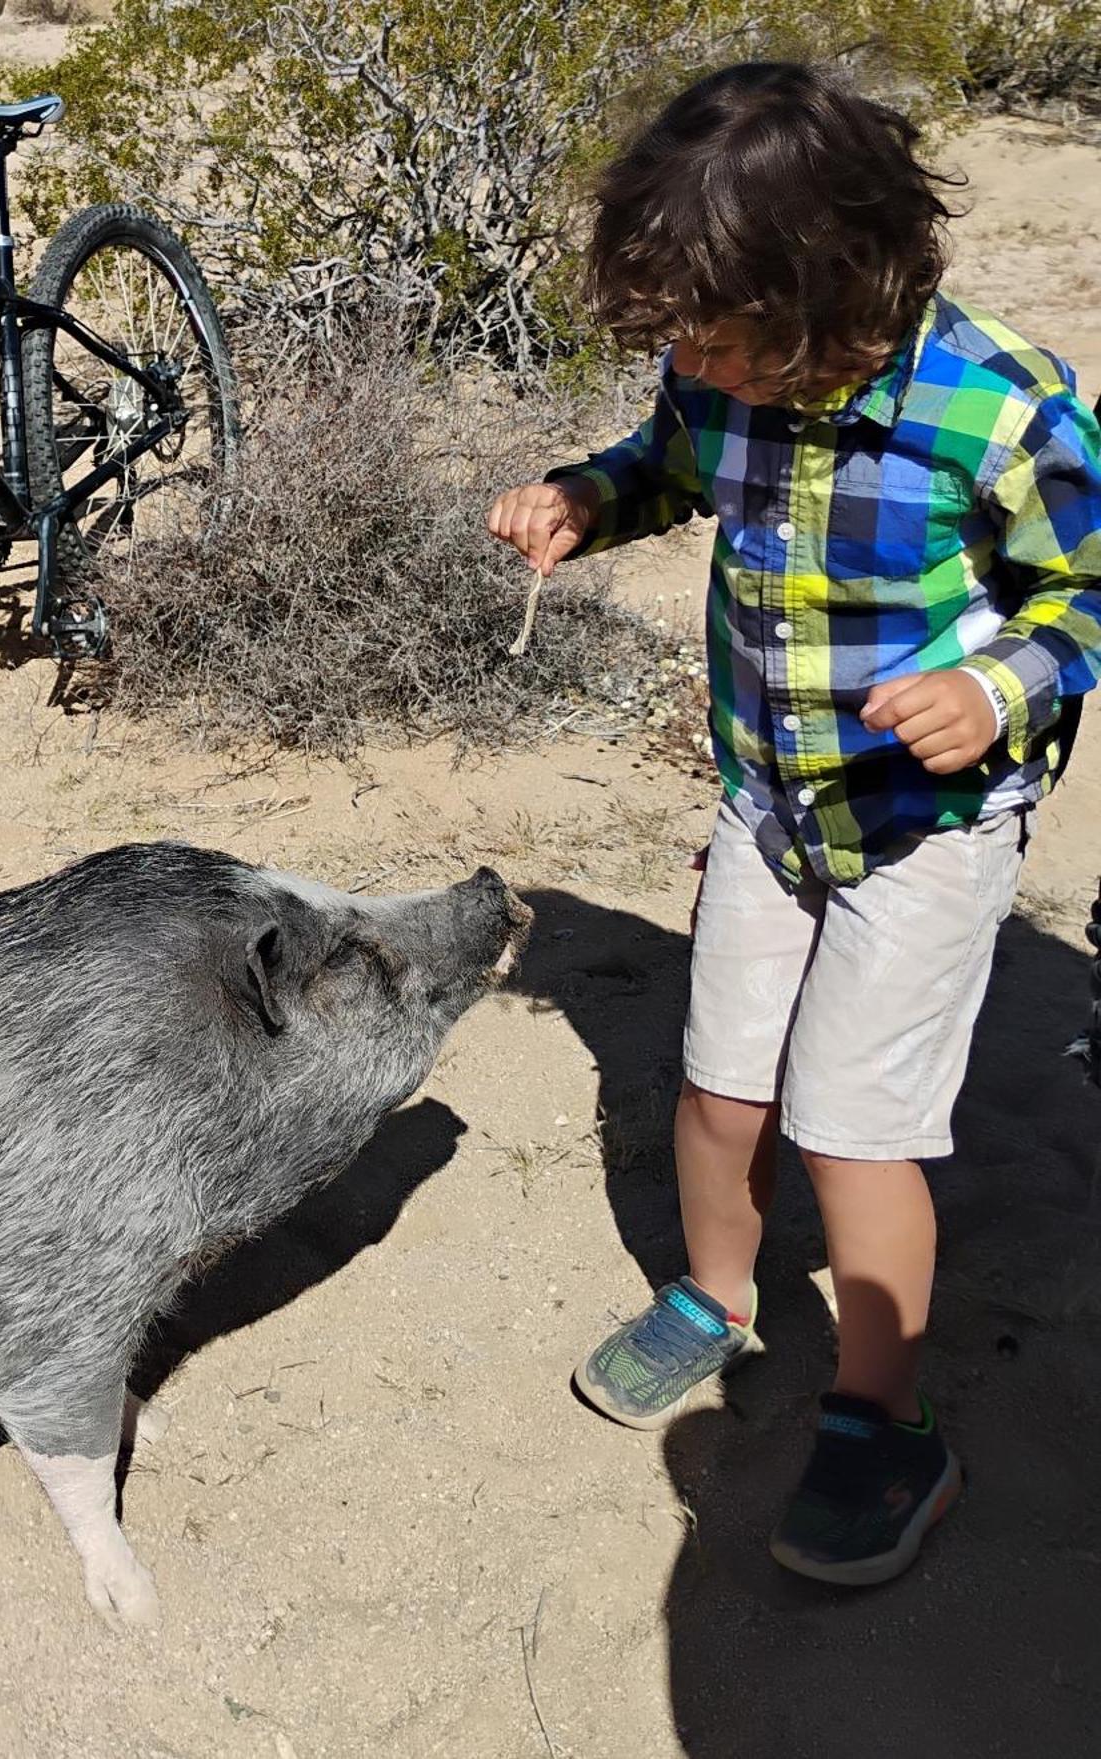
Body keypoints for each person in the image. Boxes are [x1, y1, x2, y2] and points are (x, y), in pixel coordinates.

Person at [487, 60, 1101, 1585]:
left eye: (723, 334)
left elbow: (1083, 589)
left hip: (928, 825)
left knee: (852, 1125)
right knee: (719, 1083)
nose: (697, 361)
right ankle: (715, 1295)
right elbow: (668, 465)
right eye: (681, 337)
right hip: (770, 799)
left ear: (836, 288)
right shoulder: (723, 377)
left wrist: (1000, 688)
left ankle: (883, 1422)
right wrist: (586, 494)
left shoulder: (998, 407)